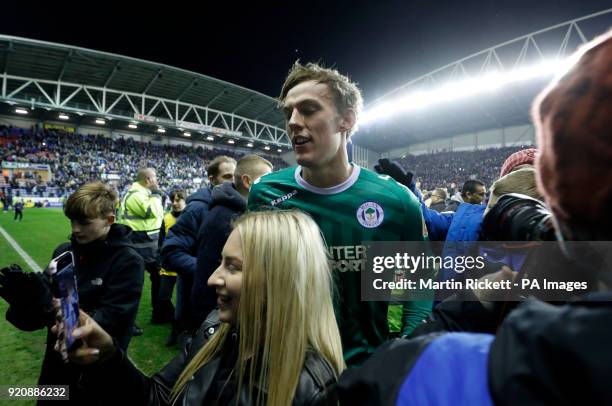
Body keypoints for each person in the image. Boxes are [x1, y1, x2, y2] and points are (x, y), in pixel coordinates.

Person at [330, 29, 612, 406]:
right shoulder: (470, 222)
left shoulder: (523, 342)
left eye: (532, 193)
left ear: (559, 204)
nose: (505, 206)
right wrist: (409, 192)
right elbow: (421, 239)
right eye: (502, 195)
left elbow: (373, 381)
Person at [55, 210, 344, 406]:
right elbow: (157, 397)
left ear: (278, 280)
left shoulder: (313, 389)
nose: (211, 278)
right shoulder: (214, 329)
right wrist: (107, 356)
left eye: (233, 267)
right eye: (221, 262)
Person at [248, 62, 432, 366]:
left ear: (346, 120)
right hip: (292, 372)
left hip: (371, 369)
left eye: (308, 110)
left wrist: (406, 356)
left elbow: (419, 283)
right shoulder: (266, 195)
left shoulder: (397, 200)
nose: (293, 122)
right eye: (288, 113)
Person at [0, 181, 144, 405]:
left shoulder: (127, 261)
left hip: (97, 374)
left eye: (84, 222)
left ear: (109, 220)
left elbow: (110, 322)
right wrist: (24, 302)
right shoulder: (64, 253)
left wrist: (49, 305)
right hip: (55, 369)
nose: (76, 228)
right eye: (72, 221)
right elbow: (32, 321)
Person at [190, 154, 273, 334]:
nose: (272, 185)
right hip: (214, 317)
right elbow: (207, 275)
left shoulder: (236, 211)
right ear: (247, 181)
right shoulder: (223, 218)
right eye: (267, 179)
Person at [161, 156, 236, 329]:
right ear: (212, 179)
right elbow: (171, 252)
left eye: (235, 175)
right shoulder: (198, 208)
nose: (233, 180)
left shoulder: (232, 205)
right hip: (198, 300)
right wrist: (206, 269)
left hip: (222, 301)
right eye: (227, 176)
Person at [117, 168, 164, 328]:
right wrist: (157, 194)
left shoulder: (140, 194)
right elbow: (154, 211)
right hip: (142, 245)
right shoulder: (136, 195)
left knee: (156, 278)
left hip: (147, 244)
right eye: (155, 177)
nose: (157, 180)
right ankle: (128, 322)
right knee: (133, 284)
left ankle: (159, 313)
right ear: (148, 179)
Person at [157, 189, 187, 344]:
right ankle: (176, 323)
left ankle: (177, 330)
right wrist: (159, 258)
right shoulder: (166, 217)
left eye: (178, 200)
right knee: (163, 297)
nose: (175, 203)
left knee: (185, 302)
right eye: (173, 200)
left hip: (185, 266)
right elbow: (161, 241)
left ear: (184, 200)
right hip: (168, 265)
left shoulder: (190, 216)